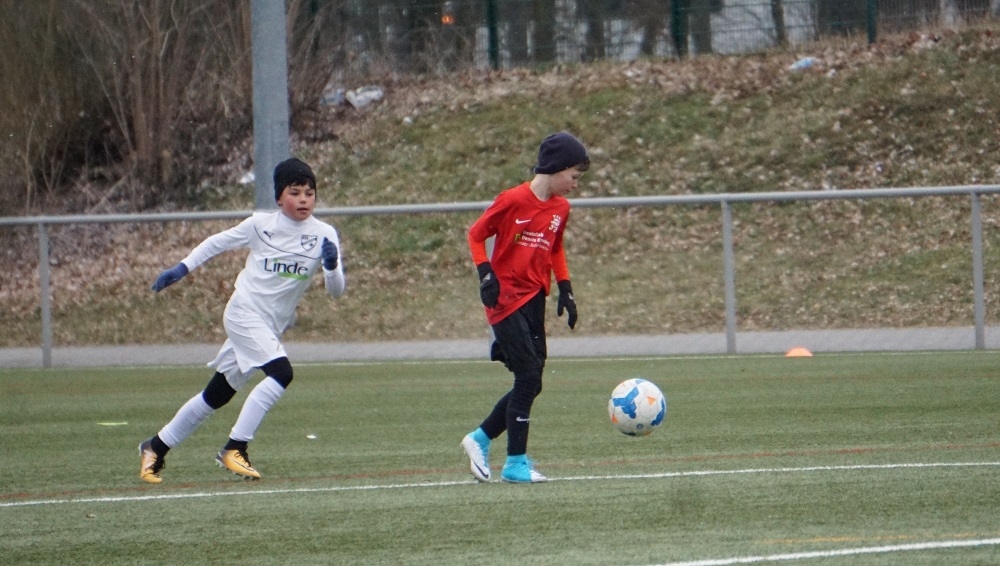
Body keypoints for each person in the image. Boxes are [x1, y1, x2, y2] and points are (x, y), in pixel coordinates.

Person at [139, 157, 345, 483]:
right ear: (279, 197)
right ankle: (235, 447)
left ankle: (155, 446)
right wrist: (182, 268)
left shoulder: (324, 234)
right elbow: (216, 243)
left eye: (309, 193)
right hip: (243, 313)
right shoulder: (260, 225)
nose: (304, 199)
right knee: (282, 373)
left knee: (217, 394)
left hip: (269, 326)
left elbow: (336, 292)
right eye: (295, 192)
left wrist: (331, 268)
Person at [460, 132, 589, 483]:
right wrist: (485, 273)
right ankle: (515, 463)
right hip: (503, 298)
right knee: (528, 375)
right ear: (557, 167)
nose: (576, 184)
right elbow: (475, 234)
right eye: (574, 176)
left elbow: (555, 247)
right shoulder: (512, 200)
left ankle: (479, 438)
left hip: (534, 298)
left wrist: (565, 288)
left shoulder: (561, 208)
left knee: (533, 382)